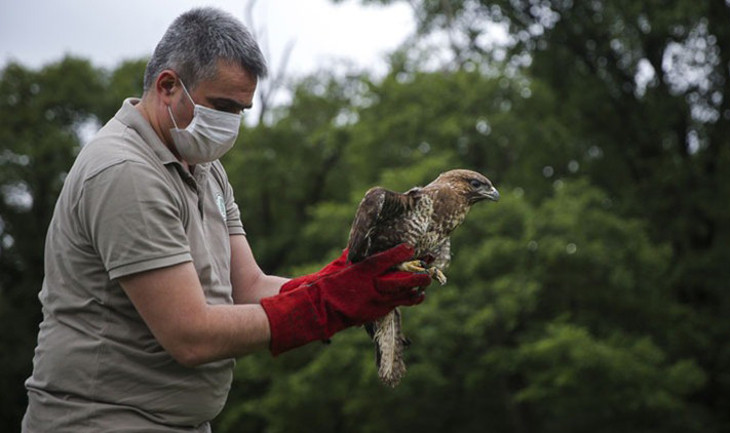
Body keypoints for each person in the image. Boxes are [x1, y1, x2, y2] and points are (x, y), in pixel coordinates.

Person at [21, 7, 431, 433]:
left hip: (179, 422)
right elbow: (191, 335)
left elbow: (248, 287)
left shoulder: (203, 164)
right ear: (167, 85)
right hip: (100, 421)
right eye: (221, 106)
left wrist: (345, 279)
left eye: (241, 110)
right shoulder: (125, 170)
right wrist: (328, 304)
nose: (230, 123)